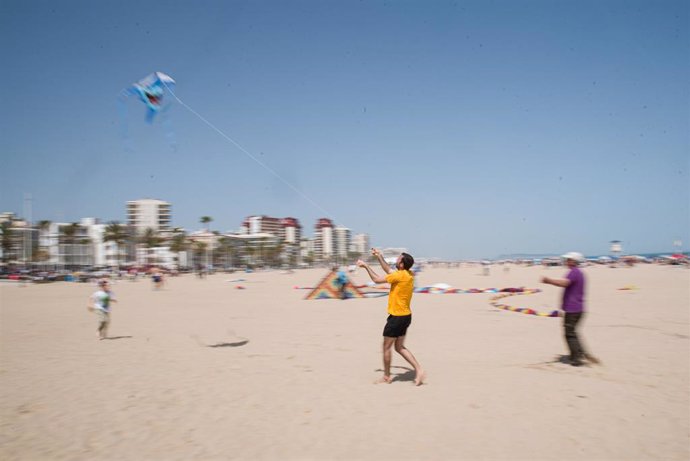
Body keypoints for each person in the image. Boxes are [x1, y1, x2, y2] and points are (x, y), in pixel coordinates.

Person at [357, 248, 425, 385]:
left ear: (401, 264)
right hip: (406, 316)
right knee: (399, 347)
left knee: (386, 347)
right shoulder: (409, 274)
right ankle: (419, 369)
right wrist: (379, 256)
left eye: (398, 259)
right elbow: (388, 270)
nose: (396, 260)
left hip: (397, 318)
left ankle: (387, 377)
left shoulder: (399, 276)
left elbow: (376, 279)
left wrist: (366, 266)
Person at [541, 252, 599, 367]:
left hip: (573, 309)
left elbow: (563, 283)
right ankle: (581, 353)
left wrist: (548, 281)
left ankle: (576, 358)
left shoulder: (574, 272)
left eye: (568, 259)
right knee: (573, 332)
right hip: (578, 308)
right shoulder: (580, 273)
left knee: (569, 334)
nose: (566, 261)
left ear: (574, 261)